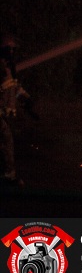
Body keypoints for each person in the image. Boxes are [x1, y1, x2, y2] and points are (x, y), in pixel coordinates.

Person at [1, 34, 34, 187]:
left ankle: (8, 174)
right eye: (9, 49)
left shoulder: (9, 68)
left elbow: (13, 87)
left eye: (13, 49)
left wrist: (26, 99)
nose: (12, 52)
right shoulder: (2, 67)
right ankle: (9, 176)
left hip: (4, 115)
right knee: (6, 139)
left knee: (5, 142)